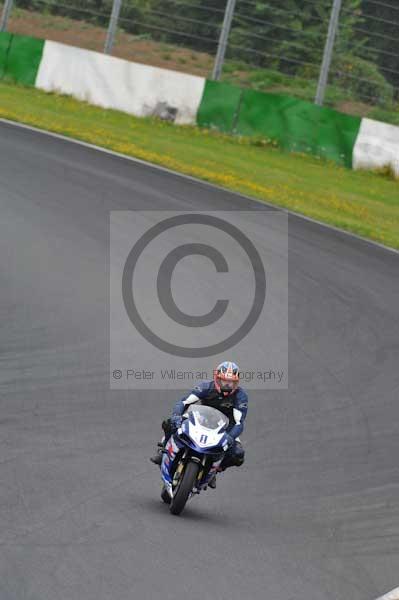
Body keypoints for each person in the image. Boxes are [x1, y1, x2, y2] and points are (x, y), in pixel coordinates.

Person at [150, 361, 248, 489]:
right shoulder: (206, 387)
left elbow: (239, 422)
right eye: (224, 380)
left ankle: (216, 470)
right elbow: (184, 402)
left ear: (236, 382)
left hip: (225, 427)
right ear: (217, 379)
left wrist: (230, 437)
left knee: (238, 454)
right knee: (169, 423)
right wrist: (176, 416)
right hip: (200, 418)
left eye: (231, 382)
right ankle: (163, 451)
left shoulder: (240, 396)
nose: (228, 384)